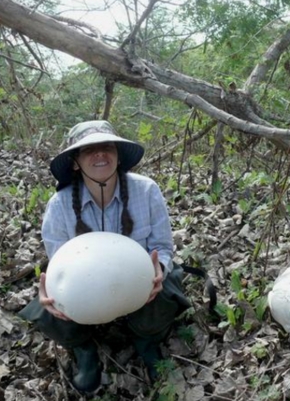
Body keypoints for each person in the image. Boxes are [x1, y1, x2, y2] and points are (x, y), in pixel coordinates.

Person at [19, 120, 190, 393]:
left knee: (168, 293)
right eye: (89, 150)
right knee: (46, 309)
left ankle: (146, 340)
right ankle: (84, 349)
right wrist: (53, 288)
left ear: (118, 155)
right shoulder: (60, 205)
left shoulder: (146, 190)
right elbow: (60, 261)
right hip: (87, 289)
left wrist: (160, 269)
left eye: (107, 147)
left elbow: (162, 246)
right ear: (75, 162)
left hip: (140, 283)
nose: (100, 154)